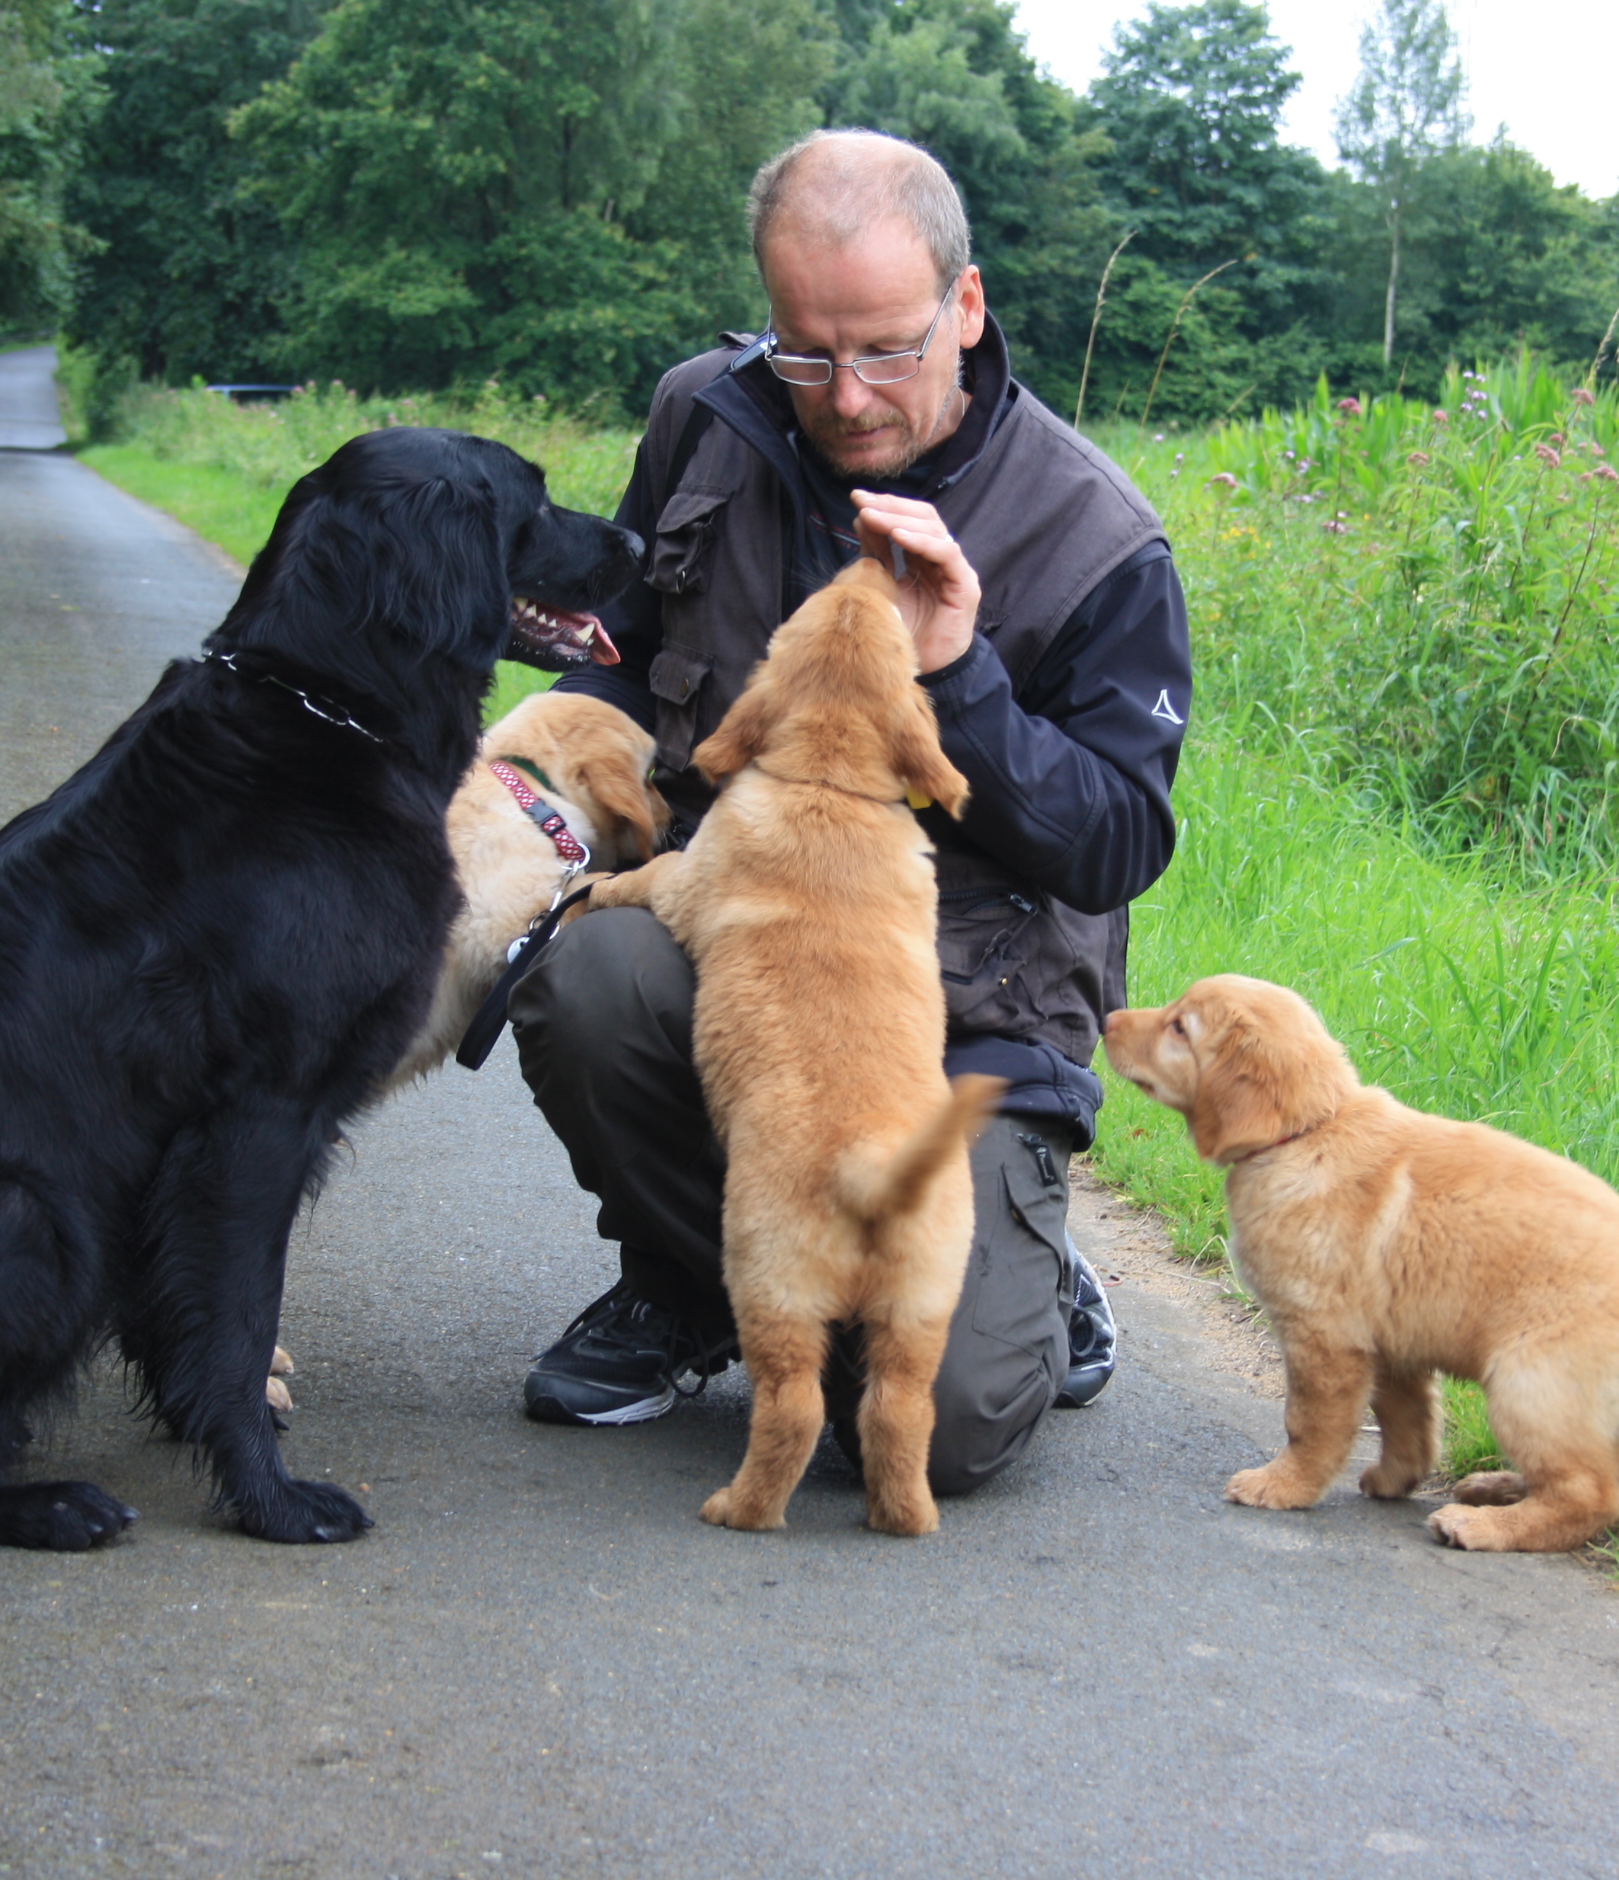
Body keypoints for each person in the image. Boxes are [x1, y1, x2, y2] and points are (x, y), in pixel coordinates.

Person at [508, 129, 1190, 1495]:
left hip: (970, 1014)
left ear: (967, 305)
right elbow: (625, 654)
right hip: (747, 936)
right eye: (806, 353)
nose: (848, 396)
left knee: (944, 1427)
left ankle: (1028, 1268)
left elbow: (1119, 843)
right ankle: (693, 1282)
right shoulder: (705, 416)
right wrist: (533, 764)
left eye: (885, 348)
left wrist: (958, 675)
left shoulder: (1099, 539)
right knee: (586, 971)